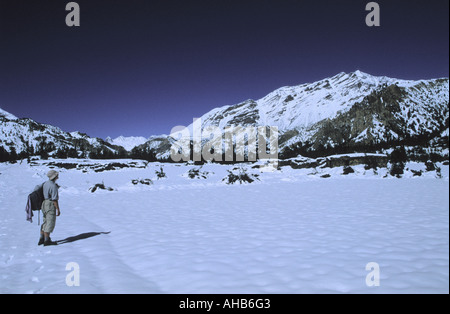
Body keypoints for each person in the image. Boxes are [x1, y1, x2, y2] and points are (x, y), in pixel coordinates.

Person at [38, 170, 61, 246]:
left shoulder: (46, 183)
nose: (58, 176)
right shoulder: (53, 186)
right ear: (54, 176)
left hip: (44, 203)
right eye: (57, 175)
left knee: (45, 221)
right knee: (50, 221)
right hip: (50, 204)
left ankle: (42, 238)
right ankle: (47, 241)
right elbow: (54, 199)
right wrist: (58, 209)